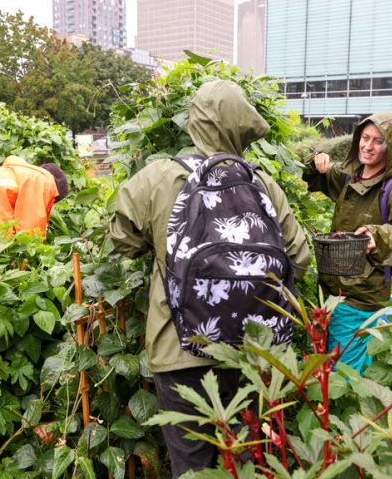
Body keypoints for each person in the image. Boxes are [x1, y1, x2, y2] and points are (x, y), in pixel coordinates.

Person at [109, 80, 310, 477]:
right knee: (249, 461)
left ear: (195, 121)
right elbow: (299, 259)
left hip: (180, 350)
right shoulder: (263, 184)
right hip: (253, 353)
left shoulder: (157, 178)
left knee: (192, 466)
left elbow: (122, 238)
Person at [303, 112, 392, 373]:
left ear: (391, 147)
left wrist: (377, 236)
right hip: (332, 291)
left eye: (378, 141)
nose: (368, 146)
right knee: (330, 366)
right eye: (365, 138)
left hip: (361, 296)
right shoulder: (350, 176)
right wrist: (316, 162)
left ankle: (348, 412)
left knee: (345, 374)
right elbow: (312, 177)